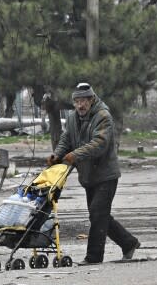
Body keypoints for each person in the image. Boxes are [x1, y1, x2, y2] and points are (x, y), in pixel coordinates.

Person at [47, 83, 140, 265]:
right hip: (89, 177)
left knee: (98, 213)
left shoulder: (103, 116)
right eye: (77, 102)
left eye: (83, 101)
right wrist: (57, 155)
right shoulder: (74, 118)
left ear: (91, 100)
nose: (80, 105)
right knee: (99, 215)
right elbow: (66, 139)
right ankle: (129, 243)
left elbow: (100, 144)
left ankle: (94, 257)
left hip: (106, 175)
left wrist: (75, 155)